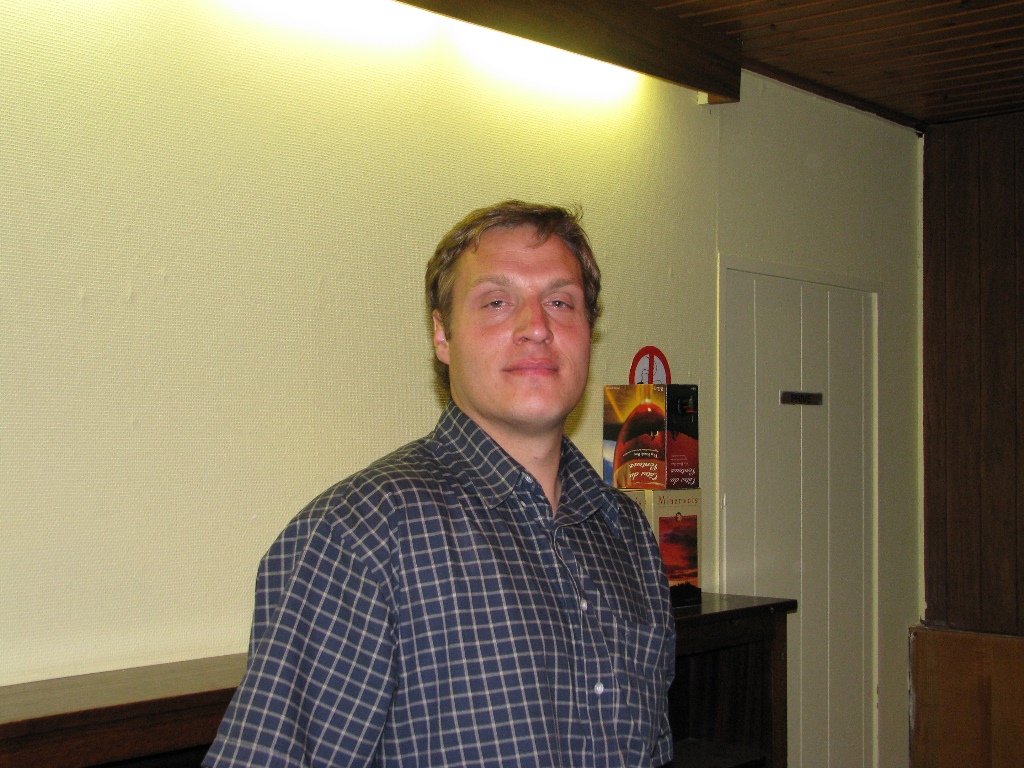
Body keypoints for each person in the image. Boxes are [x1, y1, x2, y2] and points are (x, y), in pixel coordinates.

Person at [203, 201, 675, 768]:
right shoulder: (361, 534)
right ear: (442, 336)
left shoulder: (627, 534)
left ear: (587, 334)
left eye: (560, 302)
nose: (536, 327)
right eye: (497, 302)